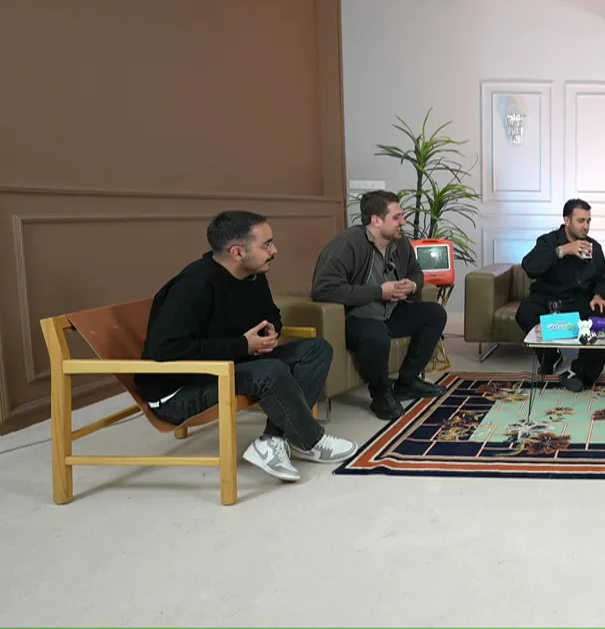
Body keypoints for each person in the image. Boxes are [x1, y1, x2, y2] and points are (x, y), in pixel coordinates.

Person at [136, 211, 358, 483]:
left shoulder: (253, 275)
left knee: (317, 349)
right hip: (179, 391)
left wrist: (271, 331)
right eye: (267, 245)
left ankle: (274, 441)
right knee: (270, 371)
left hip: (227, 367)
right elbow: (165, 349)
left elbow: (270, 313)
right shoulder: (193, 284)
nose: (274, 250)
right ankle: (310, 439)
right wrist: (242, 345)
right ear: (238, 252)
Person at [311, 190, 450, 421]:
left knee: (435, 313)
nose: (403, 222)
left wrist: (412, 285)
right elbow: (324, 289)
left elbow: (416, 271)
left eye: (402, 216)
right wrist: (379, 291)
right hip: (355, 317)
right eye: (396, 217)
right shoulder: (347, 245)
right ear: (376, 220)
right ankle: (381, 394)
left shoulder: (400, 242)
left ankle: (406, 382)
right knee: (376, 334)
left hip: (391, 311)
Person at [515, 198, 605, 393]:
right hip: (548, 300)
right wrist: (561, 251)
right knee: (525, 312)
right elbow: (529, 267)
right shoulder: (548, 241)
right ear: (567, 221)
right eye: (581, 221)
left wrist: (598, 295)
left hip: (579, 302)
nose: (586, 226)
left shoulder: (594, 247)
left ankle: (581, 373)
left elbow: (602, 278)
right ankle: (550, 356)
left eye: (588, 221)